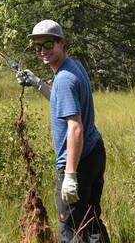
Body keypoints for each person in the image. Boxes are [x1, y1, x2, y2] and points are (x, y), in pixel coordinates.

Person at [17, 20, 110, 243]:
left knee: (70, 229)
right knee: (91, 221)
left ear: (62, 43)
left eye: (48, 45)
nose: (42, 52)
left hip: (77, 162)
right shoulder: (72, 67)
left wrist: (69, 176)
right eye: (38, 47)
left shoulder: (65, 79)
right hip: (94, 151)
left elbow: (75, 127)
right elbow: (62, 100)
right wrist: (38, 83)